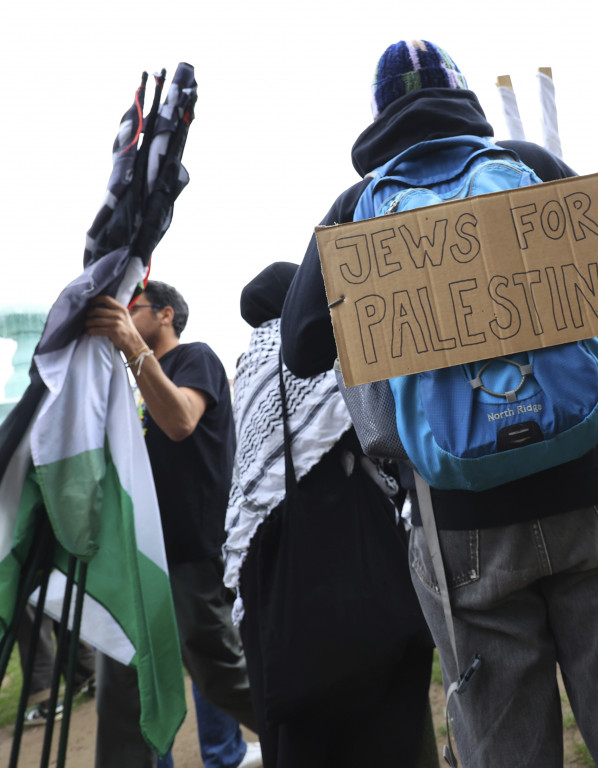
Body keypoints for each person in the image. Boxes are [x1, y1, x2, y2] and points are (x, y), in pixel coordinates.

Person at [280, 40, 598, 767]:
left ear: (380, 115)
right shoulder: (531, 166)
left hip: (459, 520)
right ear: (464, 94)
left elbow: (303, 346)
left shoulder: (353, 211)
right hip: (594, 492)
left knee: (503, 740)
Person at [225, 262, 435, 767]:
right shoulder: (320, 354)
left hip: (270, 557)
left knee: (300, 704)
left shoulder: (248, 368)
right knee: (383, 692)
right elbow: (377, 434)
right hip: (346, 534)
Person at [85, 280, 261, 768]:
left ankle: (318, 740)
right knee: (124, 681)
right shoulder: (131, 380)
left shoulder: (194, 358)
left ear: (165, 314)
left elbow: (181, 422)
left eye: (130, 308)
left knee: (220, 674)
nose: (120, 315)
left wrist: (131, 344)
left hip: (187, 550)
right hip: (135, 552)